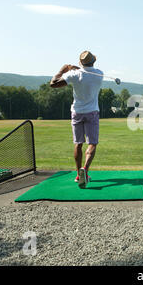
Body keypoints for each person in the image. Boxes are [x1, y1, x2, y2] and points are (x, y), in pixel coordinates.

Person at [50, 51, 104, 188]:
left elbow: (53, 84)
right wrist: (77, 68)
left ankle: (78, 174)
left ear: (81, 62)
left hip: (77, 112)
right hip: (92, 112)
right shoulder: (99, 74)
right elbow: (87, 72)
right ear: (94, 61)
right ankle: (85, 170)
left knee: (78, 143)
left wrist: (63, 70)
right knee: (92, 143)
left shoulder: (74, 74)